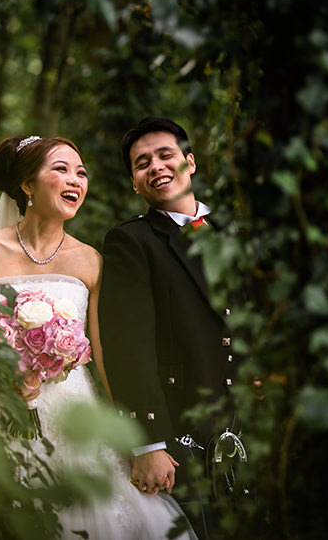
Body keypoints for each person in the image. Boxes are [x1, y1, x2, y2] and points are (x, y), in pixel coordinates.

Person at [0, 134, 197, 540]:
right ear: (26, 185)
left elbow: (107, 358)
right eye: (60, 169)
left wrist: (142, 446)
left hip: (77, 420)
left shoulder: (89, 260)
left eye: (81, 172)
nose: (75, 180)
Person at [98, 117, 239, 540]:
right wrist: (149, 443)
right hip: (183, 433)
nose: (155, 166)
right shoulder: (132, 242)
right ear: (136, 184)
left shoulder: (238, 230)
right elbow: (129, 346)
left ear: (189, 162)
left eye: (166, 155)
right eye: (142, 163)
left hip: (251, 419)